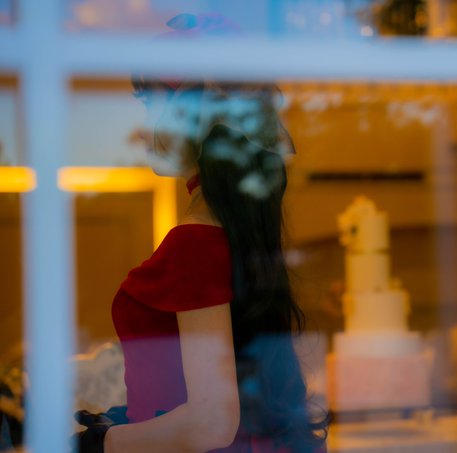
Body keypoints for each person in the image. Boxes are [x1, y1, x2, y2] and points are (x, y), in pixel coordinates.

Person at [72, 13, 328, 453]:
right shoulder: (234, 236)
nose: (141, 129)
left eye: (150, 104)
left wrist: (102, 443)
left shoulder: (195, 245)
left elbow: (212, 421)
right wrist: (132, 421)